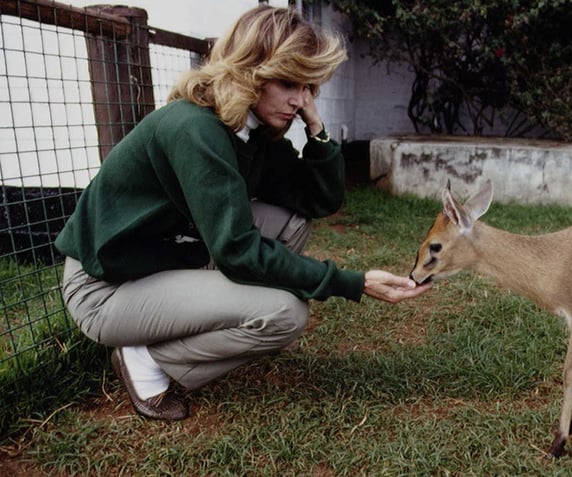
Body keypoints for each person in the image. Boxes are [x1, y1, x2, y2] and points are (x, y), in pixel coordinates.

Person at [55, 5, 431, 421]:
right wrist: (351, 283)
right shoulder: (195, 129)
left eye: (307, 86)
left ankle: (226, 319)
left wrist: (316, 127)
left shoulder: (251, 131)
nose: (298, 99)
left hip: (169, 257)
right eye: (288, 82)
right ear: (249, 71)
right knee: (286, 313)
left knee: (291, 222)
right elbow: (236, 249)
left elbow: (318, 201)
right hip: (106, 289)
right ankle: (145, 357)